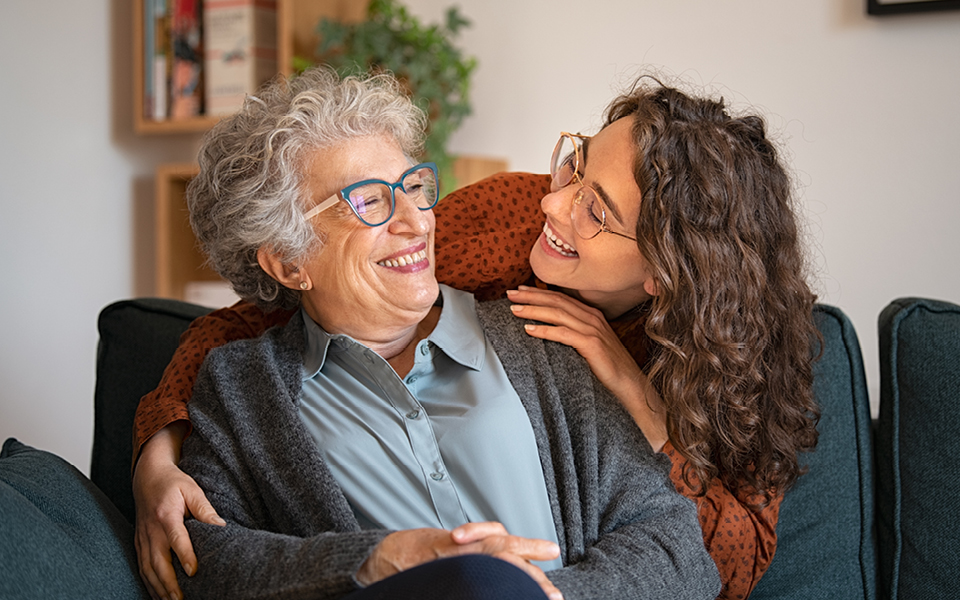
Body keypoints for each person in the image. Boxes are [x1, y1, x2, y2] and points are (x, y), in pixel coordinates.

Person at [133, 75, 819, 600]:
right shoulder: (513, 229)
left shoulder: (557, 350)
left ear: (666, 275)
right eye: (371, 199)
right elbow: (246, 323)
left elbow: (702, 557)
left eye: (594, 210)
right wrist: (156, 454)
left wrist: (637, 403)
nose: (555, 204)